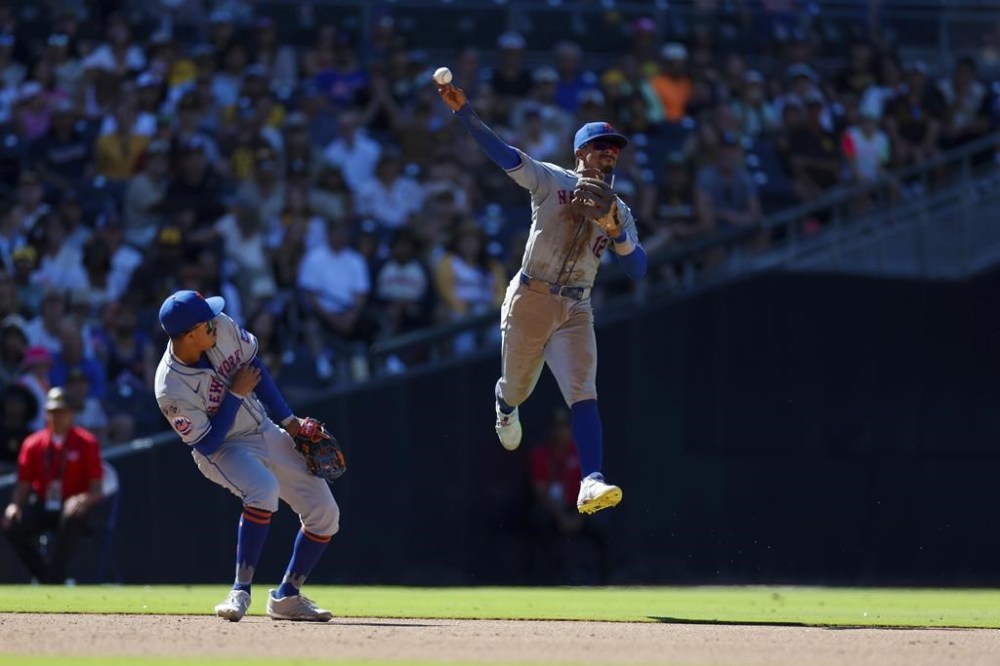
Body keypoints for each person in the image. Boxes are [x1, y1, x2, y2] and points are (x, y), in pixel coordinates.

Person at [436, 75, 647, 515]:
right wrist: (465, 113)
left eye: (615, 147)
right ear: (580, 152)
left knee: (583, 391)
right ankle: (504, 404)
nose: (610, 152)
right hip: (532, 296)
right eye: (601, 145)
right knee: (519, 387)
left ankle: (591, 479)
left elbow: (638, 268)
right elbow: (505, 156)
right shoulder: (553, 180)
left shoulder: (618, 209)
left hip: (576, 305)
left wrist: (617, 232)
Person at [154, 290, 338, 622]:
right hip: (220, 449)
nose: (215, 321)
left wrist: (290, 422)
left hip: (261, 427)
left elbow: (254, 367)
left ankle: (287, 598)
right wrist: (236, 394)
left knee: (326, 513)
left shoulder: (220, 327)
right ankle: (240, 590)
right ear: (189, 334)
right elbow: (207, 444)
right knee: (262, 490)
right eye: (206, 320)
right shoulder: (170, 387)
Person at [2, 387, 104, 583]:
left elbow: (96, 489)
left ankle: (52, 577)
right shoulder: (33, 444)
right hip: (43, 502)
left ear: (71, 413)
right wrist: (14, 505)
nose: (57, 417)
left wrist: (82, 499)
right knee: (12, 525)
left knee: (71, 515)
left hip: (73, 506)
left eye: (61, 411)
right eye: (52, 412)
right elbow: (23, 485)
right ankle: (48, 577)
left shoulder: (86, 442)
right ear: (46, 414)